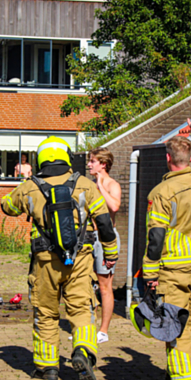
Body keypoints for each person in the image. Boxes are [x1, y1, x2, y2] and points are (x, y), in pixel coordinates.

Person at [1, 136, 118, 380]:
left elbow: (6, 207)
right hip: (81, 260)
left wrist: (24, 184)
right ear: (66, 157)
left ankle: (47, 368)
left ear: (41, 158)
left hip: (45, 262)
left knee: (46, 312)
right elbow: (105, 223)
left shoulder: (30, 186)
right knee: (81, 310)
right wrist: (111, 253)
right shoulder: (85, 184)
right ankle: (83, 352)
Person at [142, 108, 191, 380]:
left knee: (174, 325)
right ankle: (184, 374)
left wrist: (149, 271)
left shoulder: (161, 192)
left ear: (168, 159)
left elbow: (156, 237)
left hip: (174, 268)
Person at [87, 147, 121, 344]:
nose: (89, 164)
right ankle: (87, 327)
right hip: (88, 237)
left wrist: (100, 186)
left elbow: (114, 206)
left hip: (105, 239)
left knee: (104, 285)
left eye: (93, 161)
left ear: (103, 164)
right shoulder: (88, 185)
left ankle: (104, 330)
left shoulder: (111, 184)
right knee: (85, 284)